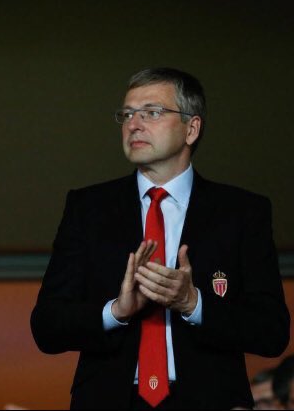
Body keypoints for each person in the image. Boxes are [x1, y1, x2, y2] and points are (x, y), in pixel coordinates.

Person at [31, 68, 289, 409]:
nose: (134, 125)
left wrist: (193, 304)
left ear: (191, 128)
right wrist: (115, 312)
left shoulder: (242, 212)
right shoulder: (88, 209)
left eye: (151, 112)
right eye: (127, 114)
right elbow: (47, 326)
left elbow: (271, 331)